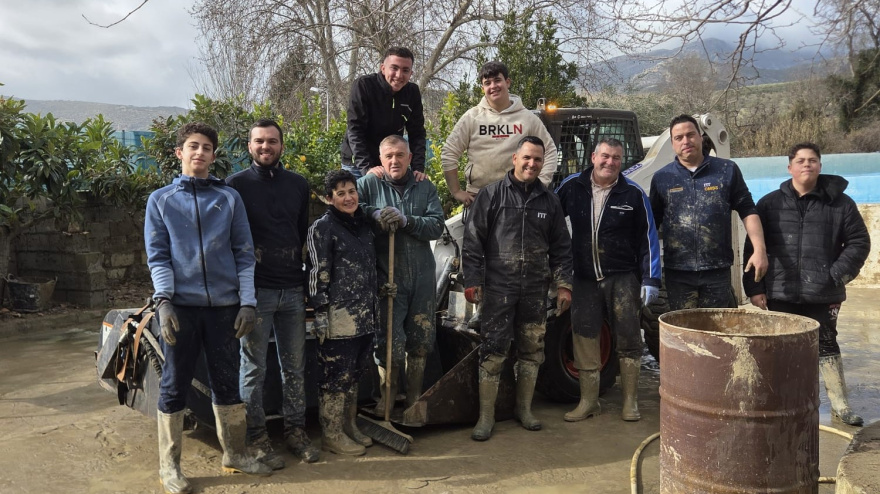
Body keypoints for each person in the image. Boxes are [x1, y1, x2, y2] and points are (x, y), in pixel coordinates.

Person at [144, 122, 271, 493]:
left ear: (215, 156)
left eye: (206, 148)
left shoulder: (229, 199)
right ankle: (170, 466)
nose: (199, 153)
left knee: (227, 382)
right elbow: (159, 256)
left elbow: (244, 254)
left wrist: (247, 302)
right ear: (179, 153)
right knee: (174, 383)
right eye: (192, 146)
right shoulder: (161, 201)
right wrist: (164, 301)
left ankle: (234, 453)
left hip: (224, 309)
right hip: (181, 308)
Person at [743, 142, 870, 427]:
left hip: (822, 293)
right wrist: (755, 288)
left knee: (826, 344)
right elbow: (753, 247)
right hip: (780, 290)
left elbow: (860, 242)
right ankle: (780, 403)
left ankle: (840, 405)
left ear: (820, 166)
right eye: (800, 161)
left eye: (812, 160)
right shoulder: (769, 204)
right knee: (780, 347)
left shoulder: (841, 204)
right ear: (790, 167)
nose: (807, 165)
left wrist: (836, 274)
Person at [462, 135, 573, 441]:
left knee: (532, 350)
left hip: (535, 290)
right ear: (515, 158)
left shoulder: (549, 201)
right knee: (493, 350)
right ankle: (486, 417)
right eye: (527, 158)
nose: (531, 164)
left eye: (537, 159)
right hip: (499, 289)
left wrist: (564, 285)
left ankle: (523, 410)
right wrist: (472, 281)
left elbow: (562, 247)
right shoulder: (492, 195)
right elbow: (473, 242)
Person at [226, 119, 319, 468]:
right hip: (256, 293)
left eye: (273, 141)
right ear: (249, 146)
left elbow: (300, 237)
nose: (266, 147)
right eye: (259, 142)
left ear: (282, 145)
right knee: (253, 368)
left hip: (292, 290)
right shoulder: (234, 186)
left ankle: (295, 430)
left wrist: (305, 283)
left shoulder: (297, 184)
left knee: (294, 367)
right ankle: (256, 435)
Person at [556, 137, 661, 423]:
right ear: (593, 157)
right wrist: (556, 271)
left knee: (628, 338)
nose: (610, 162)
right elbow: (551, 223)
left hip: (623, 278)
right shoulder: (571, 187)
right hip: (584, 278)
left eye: (616, 157)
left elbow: (648, 238)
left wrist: (651, 279)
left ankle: (630, 402)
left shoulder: (634, 195)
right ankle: (588, 401)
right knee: (585, 337)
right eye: (605, 156)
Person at [357, 135, 445, 416]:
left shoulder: (424, 185)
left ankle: (413, 400)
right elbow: (351, 208)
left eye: (399, 155)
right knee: (388, 341)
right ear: (380, 161)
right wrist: (375, 213)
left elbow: (436, 226)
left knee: (420, 340)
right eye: (388, 156)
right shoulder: (369, 184)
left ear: (409, 158)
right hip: (387, 276)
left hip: (421, 275)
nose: (394, 160)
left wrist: (407, 221)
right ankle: (387, 396)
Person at [649, 114, 769, 310]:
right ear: (672, 143)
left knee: (718, 332)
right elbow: (650, 225)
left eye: (690, 135)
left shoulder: (726, 170)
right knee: (684, 332)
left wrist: (759, 250)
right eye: (679, 138)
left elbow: (748, 210)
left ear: (700, 137)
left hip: (717, 272)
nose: (685, 141)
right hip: (678, 273)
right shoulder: (662, 178)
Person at [306, 170, 379, 456]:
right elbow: (316, 274)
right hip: (338, 315)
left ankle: (350, 427)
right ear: (329, 198)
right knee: (336, 377)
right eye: (341, 193)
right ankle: (332, 434)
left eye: (352, 191)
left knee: (355, 375)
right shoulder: (322, 228)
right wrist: (320, 312)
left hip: (364, 313)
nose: (349, 198)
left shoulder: (362, 226)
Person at [441, 61, 558, 207]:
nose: (493, 86)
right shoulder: (472, 117)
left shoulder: (527, 119)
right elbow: (449, 153)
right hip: (479, 198)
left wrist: (541, 183)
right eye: (487, 83)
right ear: (483, 88)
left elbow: (550, 150)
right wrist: (456, 191)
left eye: (497, 80)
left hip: (518, 200)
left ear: (507, 82)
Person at [341, 46, 427, 180]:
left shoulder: (412, 92)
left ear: (411, 73)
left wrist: (417, 168)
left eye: (405, 70)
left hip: (390, 165)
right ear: (383, 68)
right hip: (357, 165)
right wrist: (367, 168)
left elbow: (417, 133)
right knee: (357, 201)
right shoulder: (364, 86)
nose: (399, 75)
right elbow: (355, 129)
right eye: (394, 68)